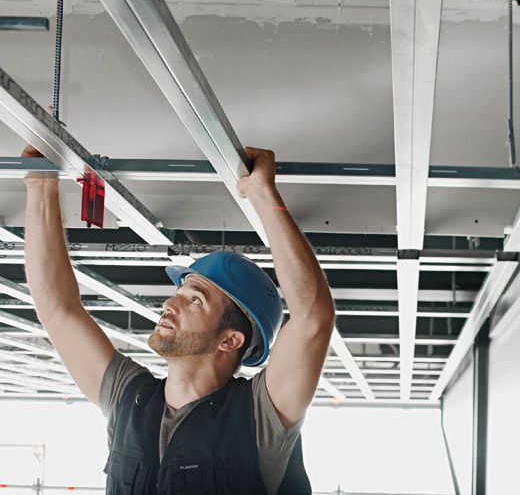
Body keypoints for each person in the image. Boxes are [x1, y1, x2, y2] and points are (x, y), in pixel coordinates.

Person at [22, 145, 335, 494]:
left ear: (229, 340)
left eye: (194, 300)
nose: (171, 302)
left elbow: (312, 317)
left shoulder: (259, 415)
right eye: (180, 292)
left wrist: (263, 195)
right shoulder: (131, 398)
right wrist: (41, 184)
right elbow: (57, 308)